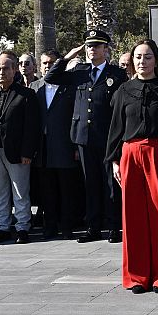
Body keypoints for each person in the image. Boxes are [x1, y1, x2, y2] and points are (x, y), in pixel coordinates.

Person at [106, 39, 158, 294]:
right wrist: (115, 160)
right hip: (130, 155)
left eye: (148, 57)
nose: (143, 62)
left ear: (156, 60)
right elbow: (116, 128)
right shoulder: (123, 90)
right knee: (133, 217)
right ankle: (137, 277)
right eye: (139, 57)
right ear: (133, 60)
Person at [44, 29, 127, 243]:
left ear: (105, 49)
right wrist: (68, 56)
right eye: (89, 46)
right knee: (90, 183)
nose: (92, 49)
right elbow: (50, 77)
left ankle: (113, 226)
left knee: (110, 184)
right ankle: (93, 227)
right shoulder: (79, 71)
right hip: (83, 136)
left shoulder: (115, 74)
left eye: (96, 45)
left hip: (107, 136)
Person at [0, 51, 40, 244]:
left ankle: (22, 227)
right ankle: (2, 226)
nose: (1, 72)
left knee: (20, 191)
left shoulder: (26, 94)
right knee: (0, 192)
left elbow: (32, 126)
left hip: (18, 152)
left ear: (14, 70)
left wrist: (28, 152)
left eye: (5, 69)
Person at [29, 50, 81, 240]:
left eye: (51, 62)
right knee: (46, 191)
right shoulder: (34, 87)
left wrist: (75, 146)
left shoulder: (70, 86)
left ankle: (67, 227)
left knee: (67, 191)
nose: (47, 66)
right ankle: (49, 227)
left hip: (65, 146)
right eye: (44, 63)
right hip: (42, 149)